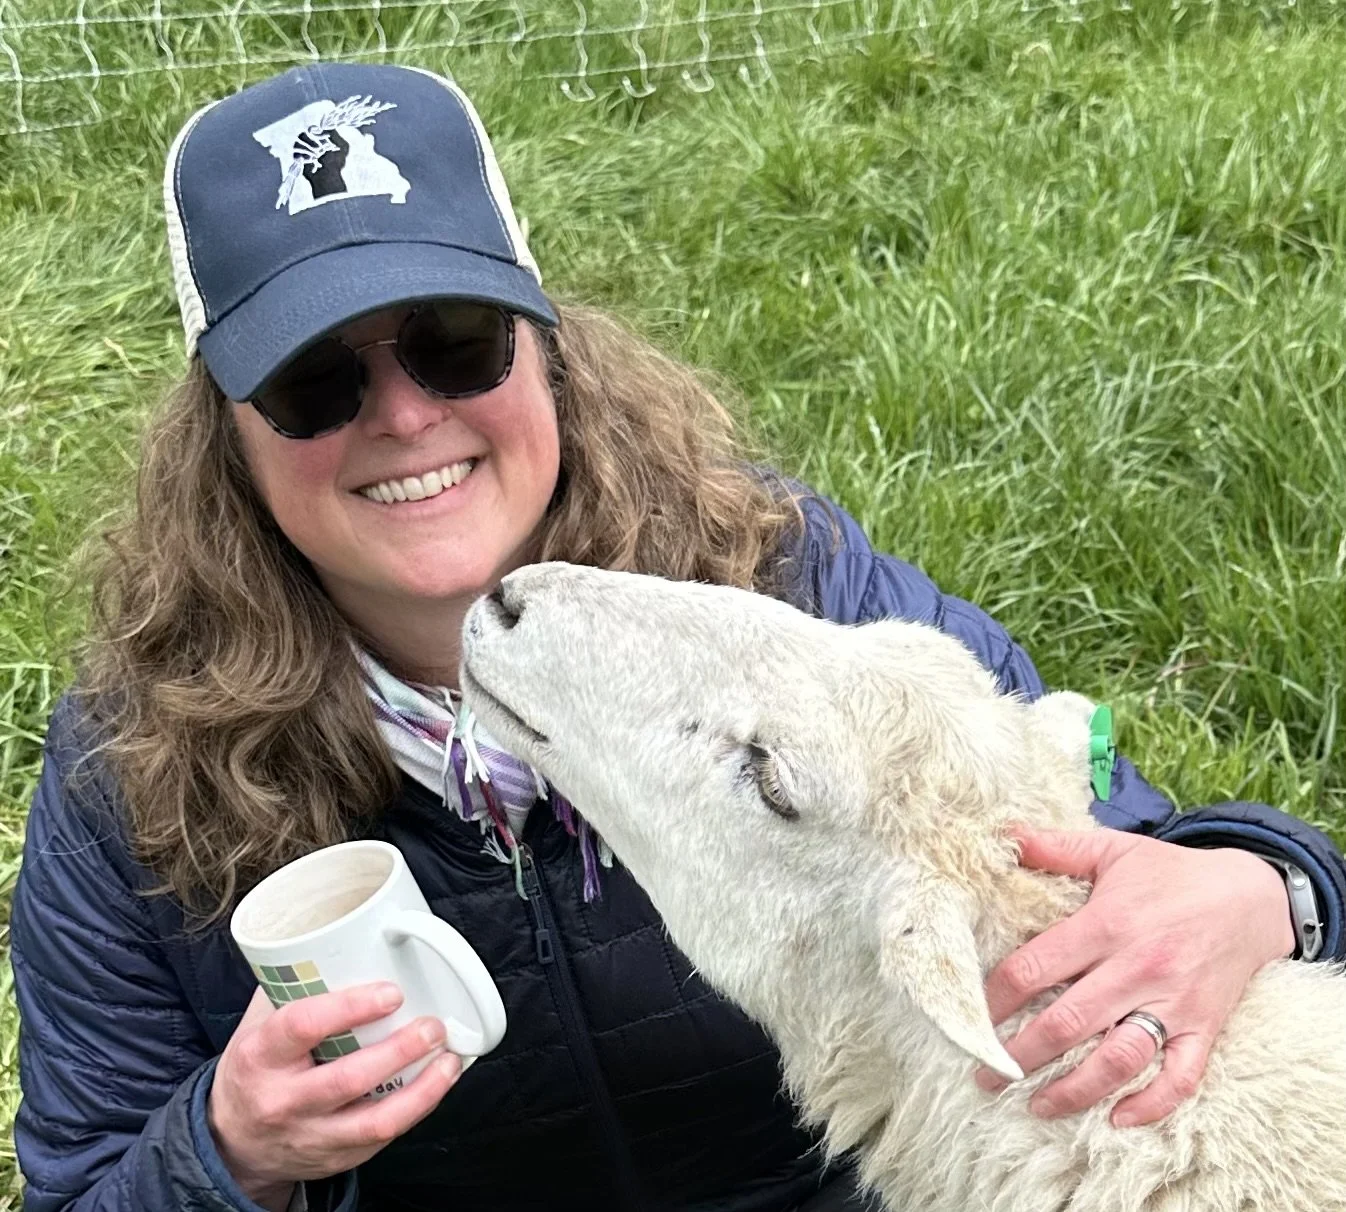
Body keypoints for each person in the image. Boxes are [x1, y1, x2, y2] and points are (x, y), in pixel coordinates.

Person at [10, 61, 1344, 1212]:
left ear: (547, 354)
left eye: (457, 343)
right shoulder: (135, 773)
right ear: (228, 446)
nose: (406, 418)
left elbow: (1091, 864)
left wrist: (1261, 884)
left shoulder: (794, 587)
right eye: (315, 382)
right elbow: (86, 1183)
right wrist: (227, 1152)